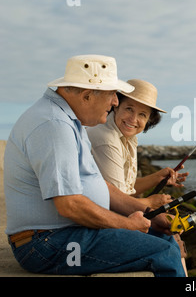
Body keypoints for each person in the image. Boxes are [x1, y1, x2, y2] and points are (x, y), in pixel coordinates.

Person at [3, 54, 185, 277]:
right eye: (112, 95)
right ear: (87, 95)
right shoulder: (54, 125)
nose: (115, 102)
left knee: (164, 237)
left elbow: (103, 187)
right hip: (47, 246)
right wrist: (126, 225)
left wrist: (148, 213)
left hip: (62, 235)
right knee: (163, 252)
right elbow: (70, 205)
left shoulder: (71, 122)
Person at [86, 78, 190, 274]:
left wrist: (158, 177)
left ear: (150, 119)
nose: (134, 119)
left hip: (114, 211)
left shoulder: (128, 137)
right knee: (168, 241)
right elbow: (116, 200)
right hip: (103, 219)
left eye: (142, 114)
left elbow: (126, 187)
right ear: (116, 105)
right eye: (129, 109)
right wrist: (152, 203)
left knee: (170, 235)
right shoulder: (106, 138)